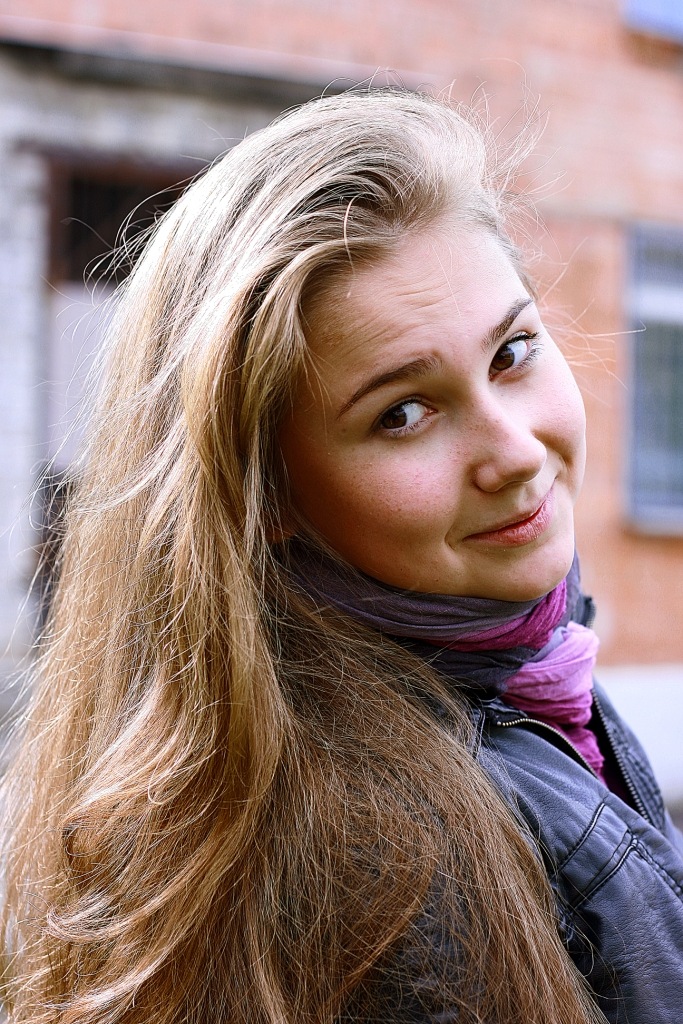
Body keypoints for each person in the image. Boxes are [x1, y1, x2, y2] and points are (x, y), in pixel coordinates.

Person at [1, 89, 682, 1024]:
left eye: (512, 353)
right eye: (402, 414)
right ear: (268, 495)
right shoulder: (376, 877)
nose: (517, 452)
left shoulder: (521, 662)